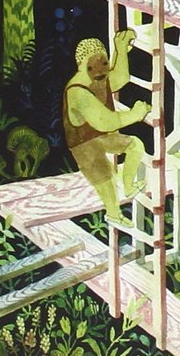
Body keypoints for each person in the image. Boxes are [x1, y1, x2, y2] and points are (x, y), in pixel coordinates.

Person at [63, 30, 150, 224]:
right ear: (82, 65)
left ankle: (128, 186)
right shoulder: (77, 90)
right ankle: (114, 215)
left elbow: (120, 78)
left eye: (103, 64)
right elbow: (106, 122)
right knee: (106, 181)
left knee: (135, 145)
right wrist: (135, 114)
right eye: (92, 66)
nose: (100, 71)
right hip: (83, 145)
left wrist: (121, 49)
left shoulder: (99, 79)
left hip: (100, 137)